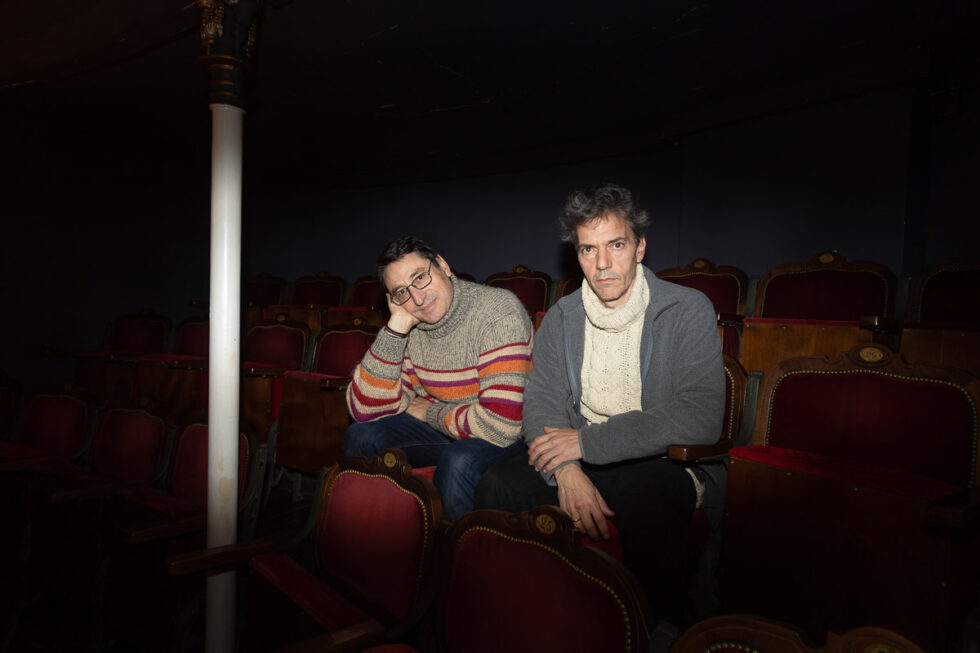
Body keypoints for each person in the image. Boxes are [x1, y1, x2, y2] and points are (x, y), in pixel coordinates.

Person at [474, 183, 725, 629]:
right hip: (578, 453)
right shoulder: (562, 318)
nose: (603, 264)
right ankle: (517, 622)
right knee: (497, 484)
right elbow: (542, 405)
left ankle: (657, 631)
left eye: (616, 245)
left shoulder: (687, 309)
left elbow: (699, 418)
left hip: (662, 460)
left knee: (649, 496)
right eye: (588, 250)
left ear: (640, 247)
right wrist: (567, 470)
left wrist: (585, 446)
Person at [345, 236, 533, 519]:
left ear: (443, 265)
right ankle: (374, 539)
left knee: (460, 460)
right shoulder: (409, 322)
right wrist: (396, 327)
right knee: (361, 436)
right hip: (456, 426)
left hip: (511, 434)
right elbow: (365, 410)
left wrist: (430, 412)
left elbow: (501, 425)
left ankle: (452, 556)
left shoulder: (497, 311)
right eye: (401, 292)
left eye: (420, 277)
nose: (417, 299)